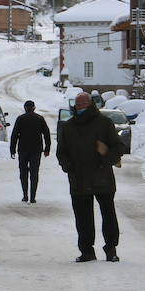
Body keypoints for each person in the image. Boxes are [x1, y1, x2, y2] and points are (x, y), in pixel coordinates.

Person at [56, 91, 123, 263]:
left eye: (84, 104)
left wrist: (106, 156)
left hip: (102, 177)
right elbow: (61, 152)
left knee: (108, 215)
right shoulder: (69, 127)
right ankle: (86, 251)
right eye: (79, 105)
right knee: (83, 217)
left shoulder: (104, 123)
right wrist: (68, 166)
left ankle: (111, 249)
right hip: (79, 179)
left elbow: (118, 147)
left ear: (91, 104)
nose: (81, 108)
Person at [9, 100, 51, 203]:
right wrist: (47, 149)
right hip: (36, 150)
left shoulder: (20, 119)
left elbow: (14, 135)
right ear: (34, 108)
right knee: (34, 173)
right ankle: (32, 197)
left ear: (25, 108)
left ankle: (25, 195)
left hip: (23, 150)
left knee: (23, 173)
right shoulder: (39, 119)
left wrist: (12, 149)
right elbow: (46, 134)